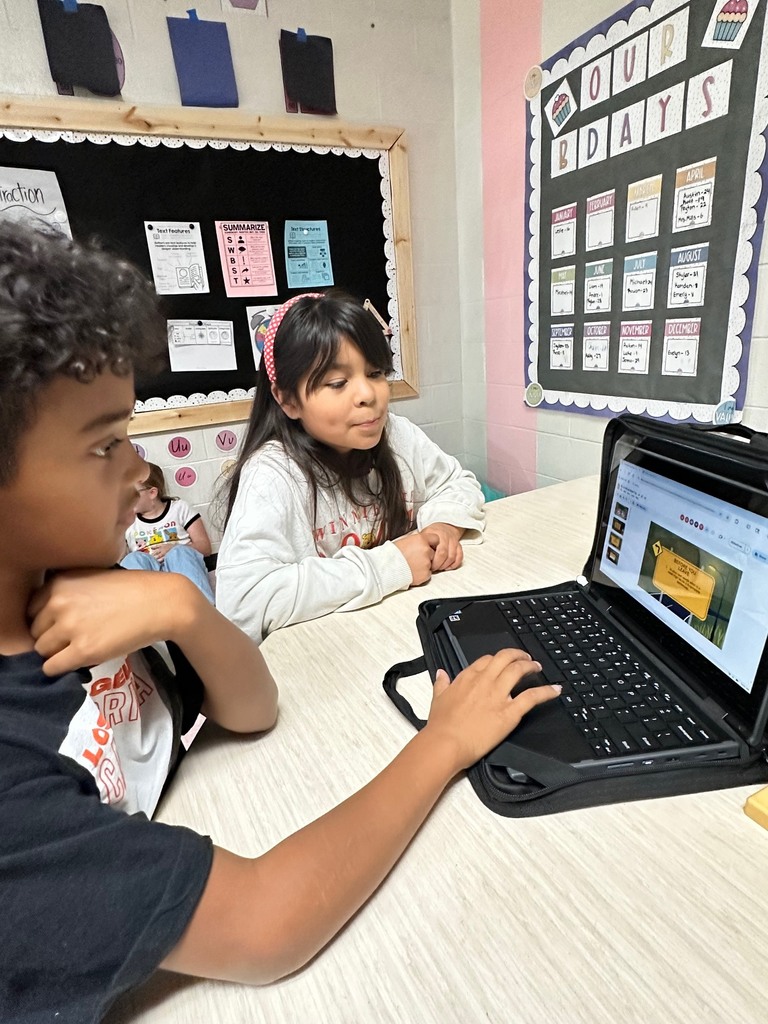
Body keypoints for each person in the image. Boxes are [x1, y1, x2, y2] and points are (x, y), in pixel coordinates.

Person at [0, 219, 559, 1023]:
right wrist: (444, 740)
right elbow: (265, 927)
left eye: (128, 435)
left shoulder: (89, 592)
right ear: (290, 400)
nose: (141, 471)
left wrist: (182, 606)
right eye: (104, 446)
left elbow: (251, 707)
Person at [216, 291, 486, 643]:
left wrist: (444, 524)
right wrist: (389, 565)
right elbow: (242, 602)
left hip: (406, 629)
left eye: (375, 373)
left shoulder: (397, 435)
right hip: (332, 652)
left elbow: (456, 482)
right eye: (337, 383)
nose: (368, 395)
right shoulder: (273, 473)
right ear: (287, 399)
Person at [122, 462, 215, 601]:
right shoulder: (128, 521)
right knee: (132, 559)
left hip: (180, 570)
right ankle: (141, 609)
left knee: (179, 553)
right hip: (150, 577)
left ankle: (201, 606)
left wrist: (174, 548)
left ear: (152, 493)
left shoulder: (179, 509)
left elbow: (205, 547)